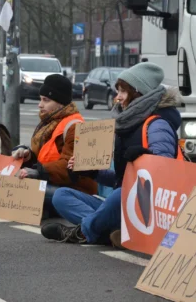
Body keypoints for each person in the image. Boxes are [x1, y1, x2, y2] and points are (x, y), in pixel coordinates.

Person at [41, 62, 182, 245]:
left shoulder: (157, 124)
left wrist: (145, 156)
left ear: (138, 93)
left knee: (119, 194)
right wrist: (92, 172)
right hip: (124, 201)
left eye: (123, 91)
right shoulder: (127, 123)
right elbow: (121, 178)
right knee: (61, 196)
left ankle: (82, 232)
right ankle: (111, 233)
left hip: (147, 206)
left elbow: (163, 170)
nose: (118, 98)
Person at [12, 74, 97, 215]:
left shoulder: (75, 126)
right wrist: (28, 156)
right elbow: (46, 157)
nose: (40, 105)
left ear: (60, 102)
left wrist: (39, 171)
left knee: (16, 190)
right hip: (51, 182)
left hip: (75, 190)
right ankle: (42, 209)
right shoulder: (49, 123)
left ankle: (47, 209)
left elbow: (70, 168)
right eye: (40, 100)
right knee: (7, 184)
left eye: (46, 100)